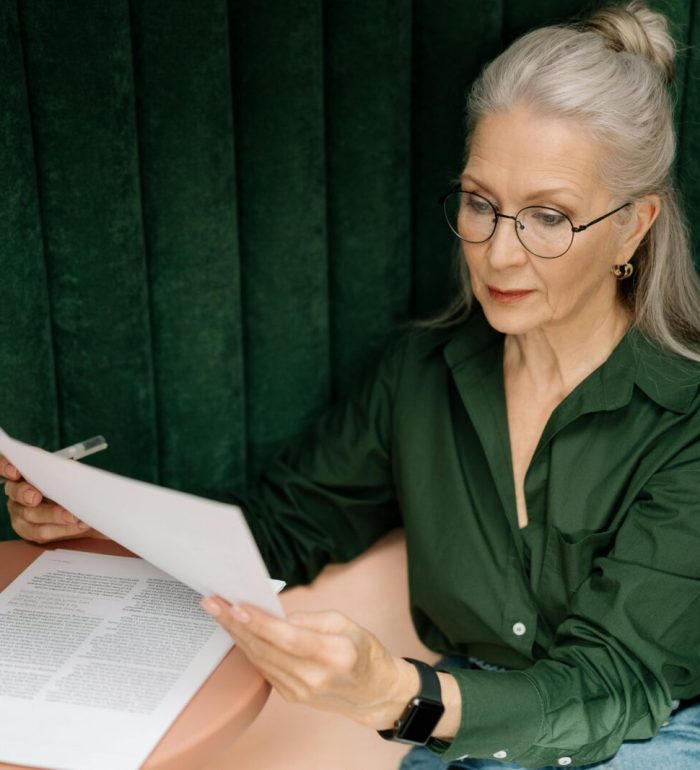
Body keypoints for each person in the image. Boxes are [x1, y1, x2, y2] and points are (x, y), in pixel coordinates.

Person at [2, 2, 700, 768]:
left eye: (548, 217)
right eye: (480, 204)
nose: (498, 254)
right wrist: (101, 517)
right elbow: (281, 528)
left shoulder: (687, 419)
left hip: (641, 737)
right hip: (461, 730)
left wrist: (401, 696)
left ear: (634, 225)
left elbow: (610, 687)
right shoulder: (420, 374)